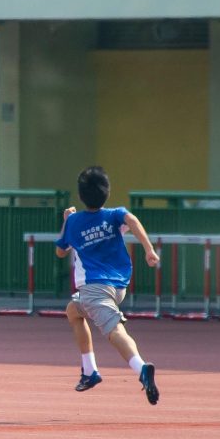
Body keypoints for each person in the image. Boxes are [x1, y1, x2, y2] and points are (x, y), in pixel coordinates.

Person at [55, 166, 161, 405]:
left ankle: (141, 368)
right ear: (106, 192)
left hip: (94, 288)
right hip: (118, 287)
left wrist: (66, 221)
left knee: (115, 330)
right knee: (73, 310)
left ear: (81, 195)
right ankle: (89, 371)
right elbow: (132, 220)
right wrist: (149, 249)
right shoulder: (114, 215)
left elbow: (61, 252)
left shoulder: (74, 221)